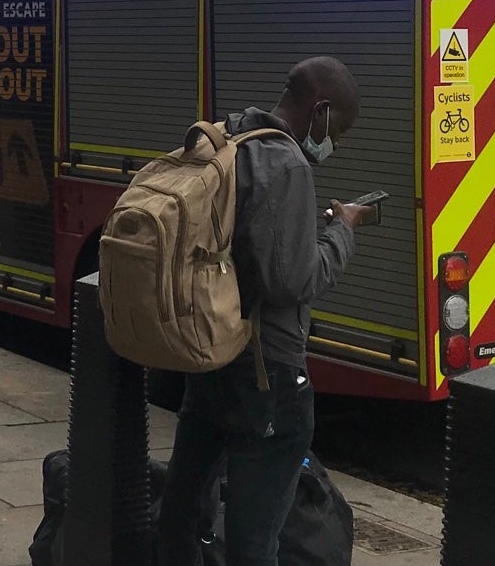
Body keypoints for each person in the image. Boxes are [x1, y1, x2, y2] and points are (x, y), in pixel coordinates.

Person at [154, 56, 371, 566]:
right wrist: (343, 230)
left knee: (182, 515)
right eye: (338, 127)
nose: (335, 142)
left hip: (211, 359)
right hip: (267, 375)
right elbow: (292, 281)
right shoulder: (287, 162)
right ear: (319, 110)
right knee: (254, 544)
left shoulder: (230, 138)